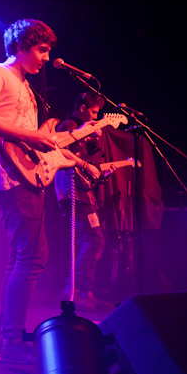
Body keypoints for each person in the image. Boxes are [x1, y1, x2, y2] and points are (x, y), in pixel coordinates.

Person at [0, 18, 57, 363]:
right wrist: (30, 136)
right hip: (9, 179)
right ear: (21, 46)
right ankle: (11, 340)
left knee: (23, 256)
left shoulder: (25, 85)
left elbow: (26, 138)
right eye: (41, 50)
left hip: (25, 176)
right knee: (33, 256)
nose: (46, 58)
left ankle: (9, 335)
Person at [54, 92, 115, 311]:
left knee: (88, 241)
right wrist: (82, 133)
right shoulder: (69, 126)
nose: (96, 117)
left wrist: (99, 172)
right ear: (82, 108)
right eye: (94, 112)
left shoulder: (82, 133)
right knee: (94, 241)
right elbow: (59, 152)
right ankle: (76, 290)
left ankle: (81, 292)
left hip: (81, 194)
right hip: (73, 194)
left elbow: (82, 167)